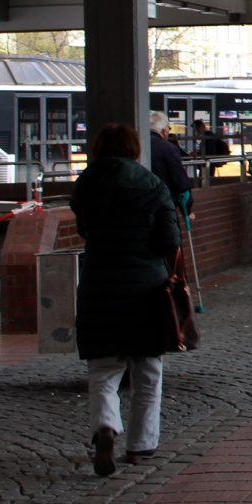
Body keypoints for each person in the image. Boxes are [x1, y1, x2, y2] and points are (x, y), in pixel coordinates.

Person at [72, 123, 181, 477]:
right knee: (147, 369)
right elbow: (169, 240)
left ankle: (106, 428)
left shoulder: (85, 184)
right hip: (145, 287)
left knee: (104, 370)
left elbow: (85, 230)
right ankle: (141, 444)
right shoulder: (151, 184)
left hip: (98, 283)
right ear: (135, 148)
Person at [148, 111, 194, 225]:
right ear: (164, 130)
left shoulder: (138, 144)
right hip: (165, 207)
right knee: (171, 240)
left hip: (141, 208)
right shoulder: (168, 148)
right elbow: (181, 183)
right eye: (169, 128)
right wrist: (187, 212)